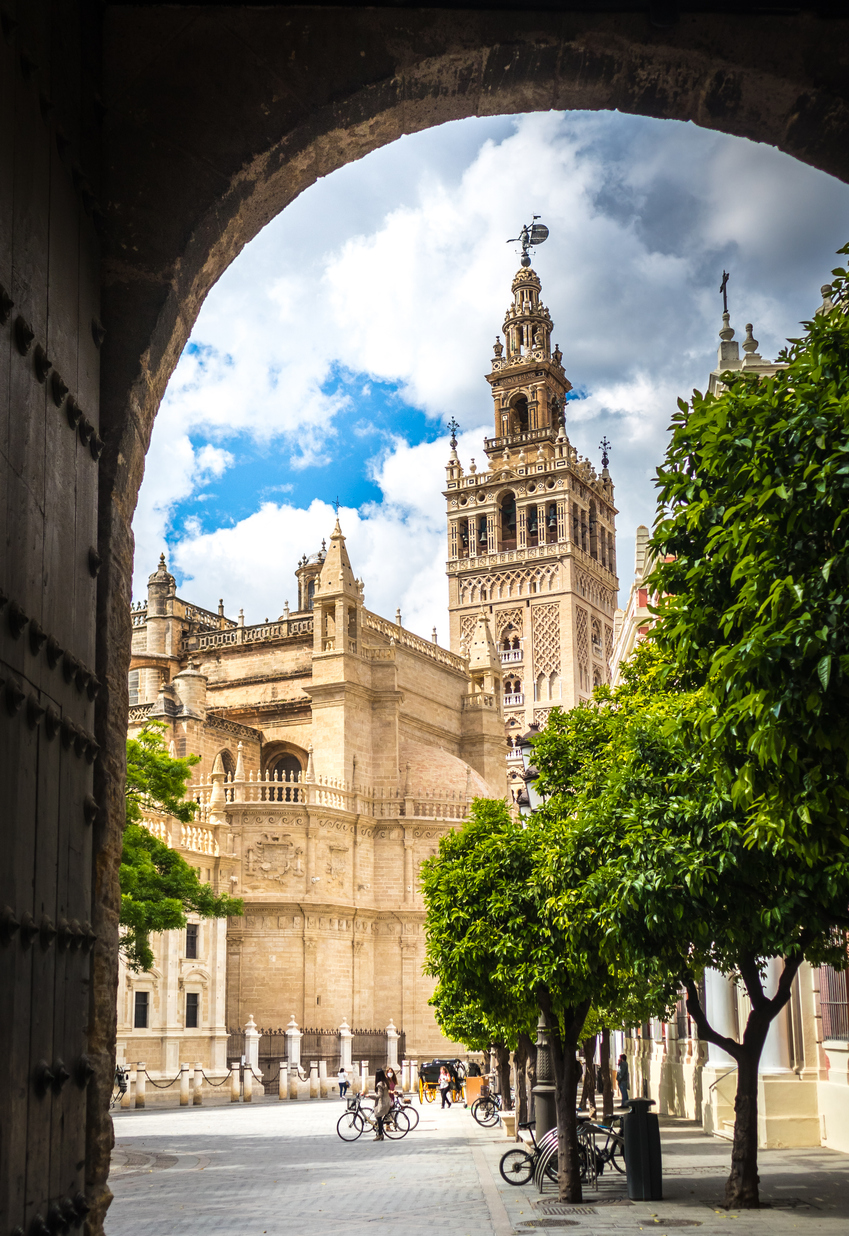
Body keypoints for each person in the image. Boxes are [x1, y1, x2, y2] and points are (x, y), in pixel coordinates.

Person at [373, 1068, 391, 1141]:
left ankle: (380, 1134)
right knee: (379, 1118)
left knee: (378, 1117)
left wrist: (369, 1096)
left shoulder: (380, 1084)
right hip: (387, 1102)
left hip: (382, 1103)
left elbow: (379, 1095)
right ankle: (379, 1133)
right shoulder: (385, 1082)